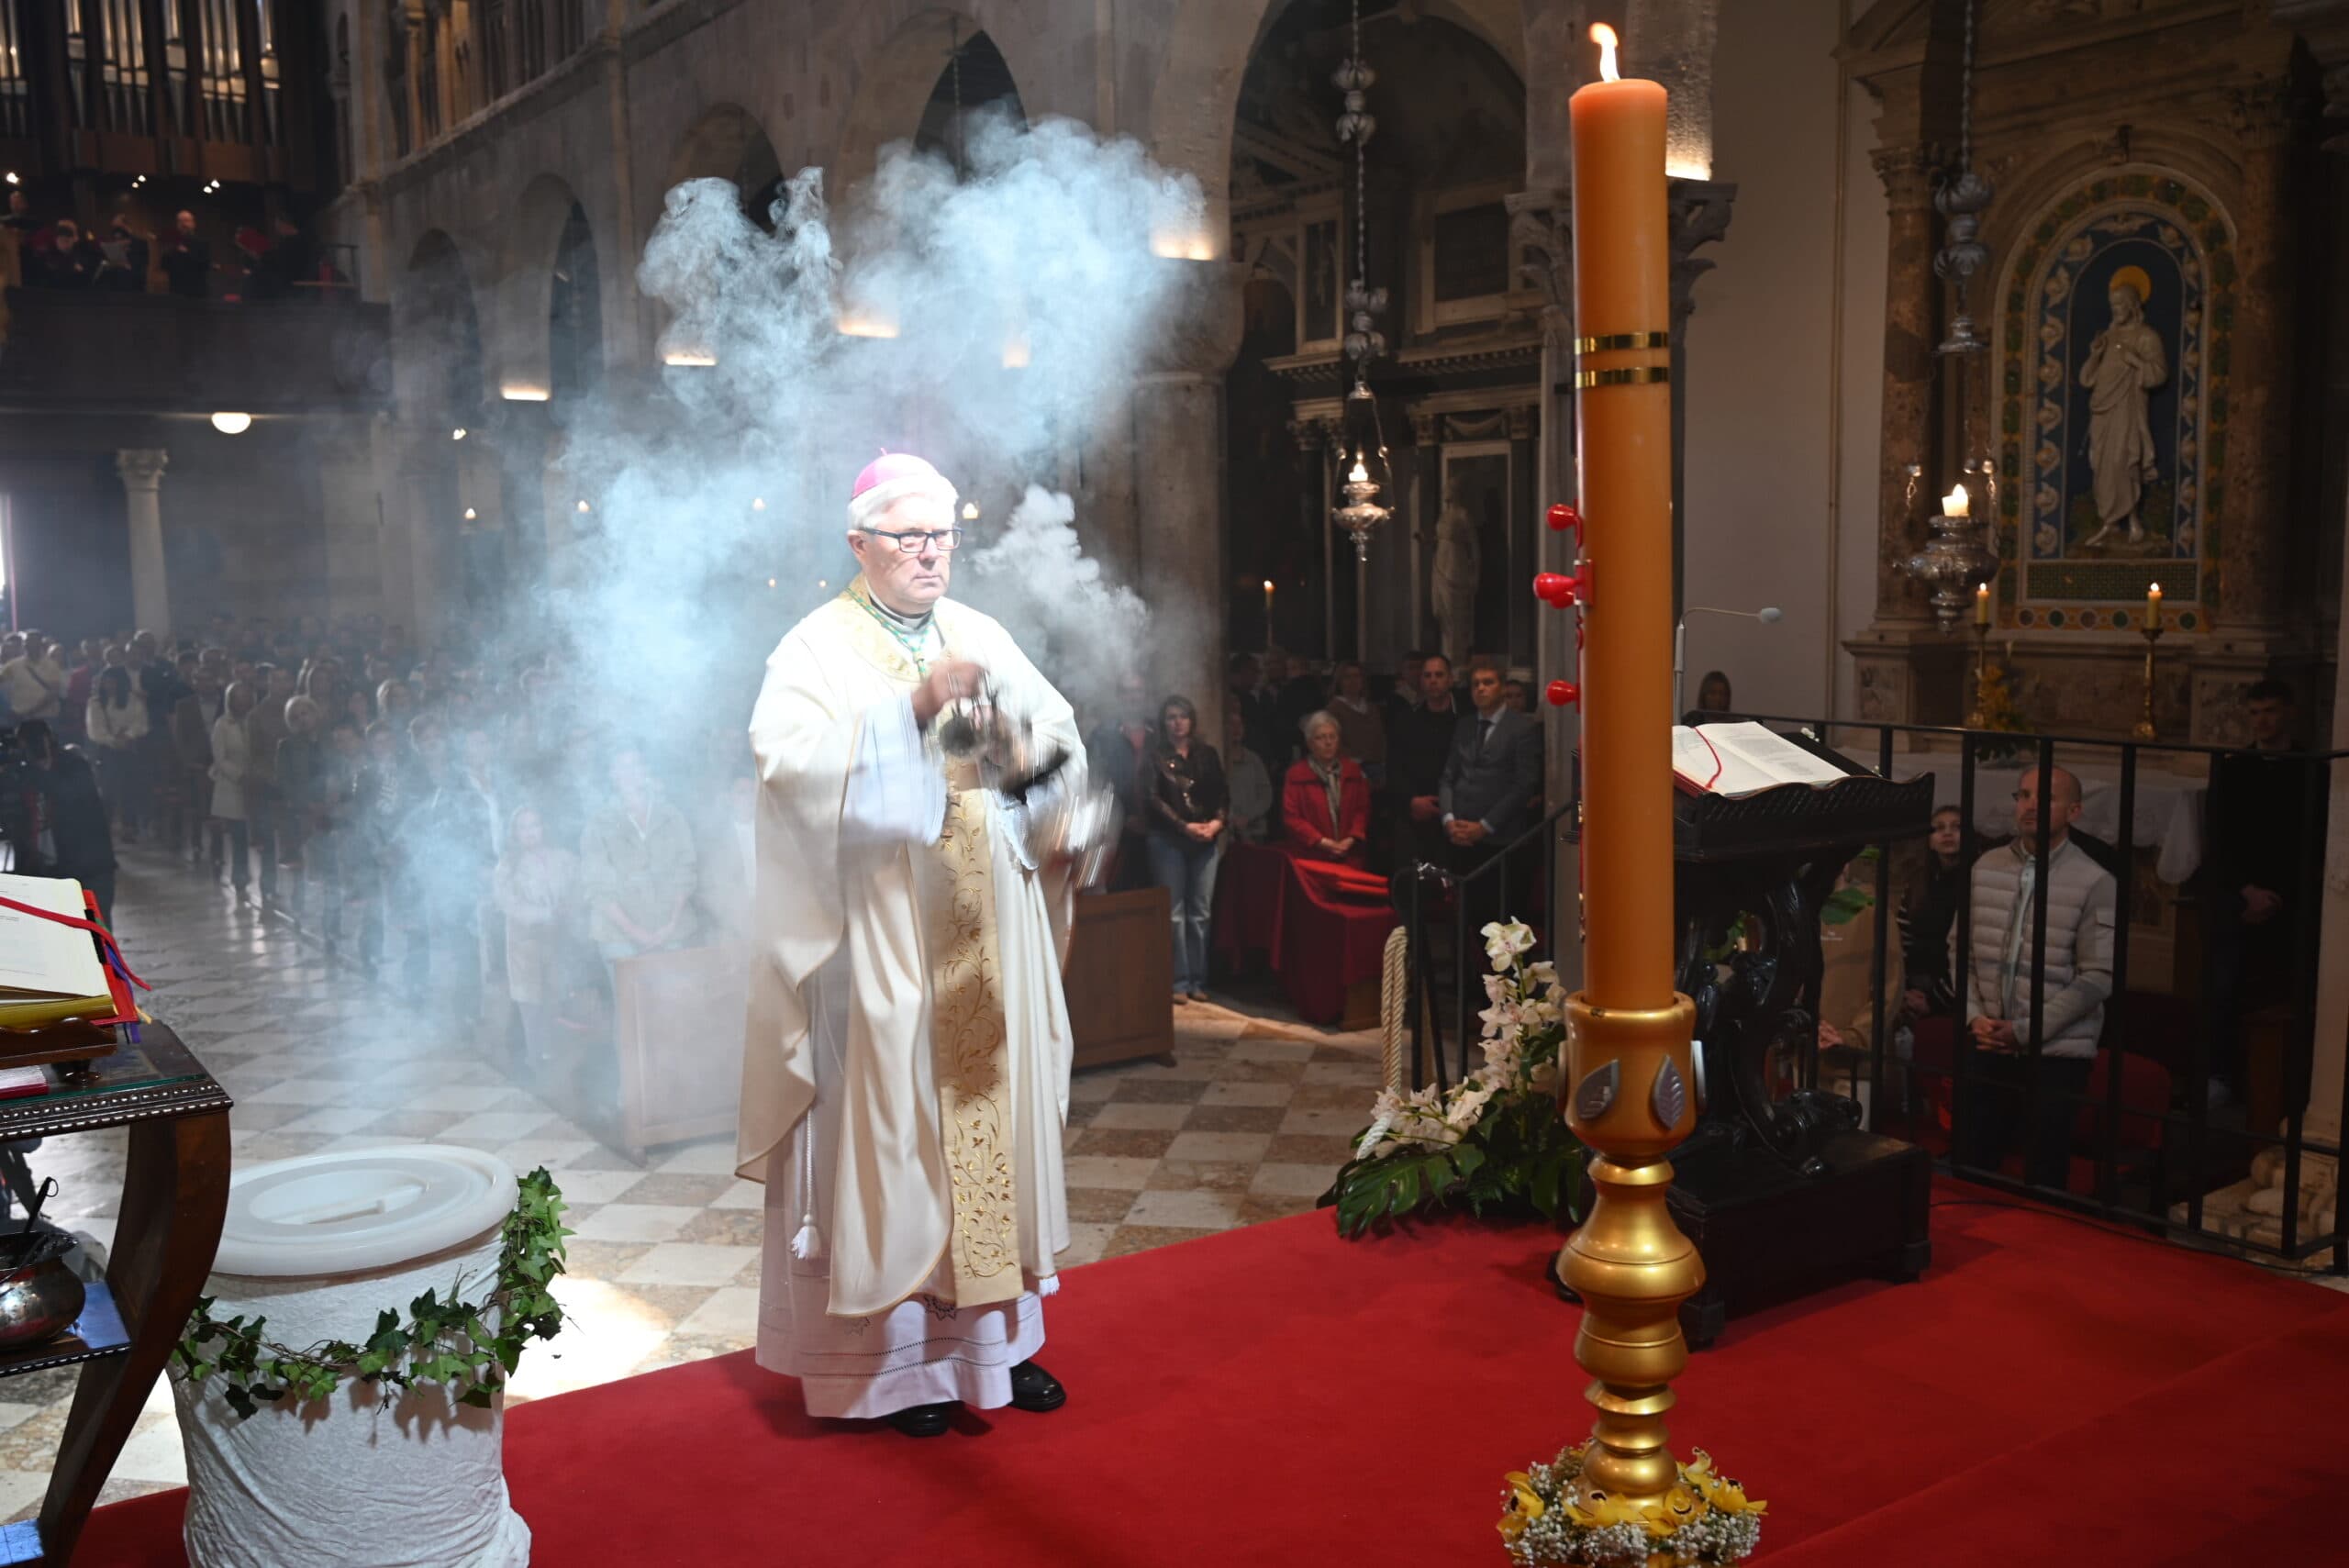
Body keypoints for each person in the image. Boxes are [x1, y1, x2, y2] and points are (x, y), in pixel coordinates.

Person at [739, 451, 1080, 1440]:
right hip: (883, 946)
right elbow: (787, 769)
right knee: (896, 1145)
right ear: (859, 544)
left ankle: (997, 1350)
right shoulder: (813, 648)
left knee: (991, 1138)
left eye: (943, 535)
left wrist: (1034, 765)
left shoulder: (979, 631)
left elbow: (1053, 736)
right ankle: (896, 1370)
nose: (932, 553)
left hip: (982, 942)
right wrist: (910, 714)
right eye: (909, 536)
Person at [1958, 766, 2116, 1188]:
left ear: (2075, 811)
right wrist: (1975, 1016)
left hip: (2055, 1051)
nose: (2029, 806)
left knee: (2044, 1176)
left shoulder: (2095, 880)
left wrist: (2026, 1030)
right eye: (2023, 795)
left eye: (2044, 798)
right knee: (1973, 1166)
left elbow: (2098, 976)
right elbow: (1960, 952)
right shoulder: (1985, 866)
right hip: (1988, 1038)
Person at [2199, 678, 2325, 1106]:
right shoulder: (2235, 768)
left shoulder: (2312, 767)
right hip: (2241, 895)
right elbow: (2218, 839)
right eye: (2254, 713)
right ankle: (2220, 1073)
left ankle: (2294, 1081)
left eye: (2270, 711)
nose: (2263, 721)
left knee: (2302, 980)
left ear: (2288, 711)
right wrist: (2246, 892)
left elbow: (2314, 842)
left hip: (2294, 898)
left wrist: (2277, 896)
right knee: (2223, 980)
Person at [576, 745, 699, 976]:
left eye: (636, 765)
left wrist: (671, 923)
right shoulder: (598, 824)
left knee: (677, 1006)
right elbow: (598, 888)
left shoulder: (671, 816)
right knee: (632, 1008)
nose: (630, 773)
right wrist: (636, 933)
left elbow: (687, 869)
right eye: (622, 767)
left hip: (671, 929)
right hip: (618, 935)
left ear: (646, 770)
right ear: (612, 774)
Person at [1147, 694, 1228, 1005]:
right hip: (1169, 840)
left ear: (1192, 720)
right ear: (1164, 722)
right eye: (1171, 717)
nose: (1177, 722)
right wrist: (1183, 826)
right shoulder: (1156, 756)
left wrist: (1218, 822)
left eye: (1182, 716)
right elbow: (1152, 798)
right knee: (1174, 914)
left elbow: (1222, 793)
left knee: (1201, 913)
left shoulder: (1206, 754)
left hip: (1206, 838)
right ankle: (1178, 981)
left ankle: (1198, 979)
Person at [495, 805, 579, 1076]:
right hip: (525, 941)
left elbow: (580, 886)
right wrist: (544, 914)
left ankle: (552, 1047)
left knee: (555, 993)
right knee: (529, 999)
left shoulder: (563, 858)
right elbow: (508, 903)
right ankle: (534, 1055)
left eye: (535, 826)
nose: (530, 833)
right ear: (515, 833)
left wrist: (570, 909)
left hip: (557, 939)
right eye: (523, 827)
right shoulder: (508, 864)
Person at [1437, 658, 1542, 868]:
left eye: (1488, 682)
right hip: (1459, 835)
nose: (1481, 689)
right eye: (1476, 684)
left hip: (1499, 839)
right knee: (1463, 898)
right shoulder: (1464, 725)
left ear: (1502, 688)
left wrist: (1484, 826)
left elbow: (1523, 785)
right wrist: (1448, 820)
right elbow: (1448, 777)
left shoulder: (1522, 728)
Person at [17, 722, 117, 925]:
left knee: (97, 933)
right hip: (51, 870)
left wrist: (35, 772)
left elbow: (71, 796)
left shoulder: (74, 765)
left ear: (47, 740)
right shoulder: (22, 778)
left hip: (90, 867)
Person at [1389, 652, 1462, 870]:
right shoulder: (1406, 721)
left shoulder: (1465, 721)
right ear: (1421, 681)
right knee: (1410, 875)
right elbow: (1394, 766)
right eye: (1427, 675)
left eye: (1439, 675)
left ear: (1450, 679)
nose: (1433, 680)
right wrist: (1412, 800)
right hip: (1415, 809)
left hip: (1459, 810)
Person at [1283, 711, 1370, 867]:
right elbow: (1292, 818)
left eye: (1332, 736)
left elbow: (1362, 810)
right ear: (1309, 743)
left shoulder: (1353, 771)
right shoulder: (1296, 775)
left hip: (1349, 854)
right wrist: (1322, 842)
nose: (1328, 742)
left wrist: (1350, 839)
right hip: (1312, 857)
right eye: (1321, 737)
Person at [84, 665, 150, 842]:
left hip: (130, 749)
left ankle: (129, 826)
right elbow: (94, 730)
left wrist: (128, 736)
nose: (109, 685)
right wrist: (113, 741)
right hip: (107, 751)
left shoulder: (133, 700)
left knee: (130, 788)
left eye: (112, 682)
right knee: (108, 790)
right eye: (106, 682)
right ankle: (104, 826)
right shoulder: (95, 702)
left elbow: (141, 723)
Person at [209, 681, 260, 899]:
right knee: (238, 835)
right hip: (233, 785)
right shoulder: (222, 725)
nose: (242, 702)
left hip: (257, 783)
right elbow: (220, 758)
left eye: (246, 697)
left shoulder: (256, 721)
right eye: (238, 698)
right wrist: (240, 775)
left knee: (258, 833)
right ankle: (239, 878)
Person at [1222, 708, 1275, 844]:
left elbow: (1266, 793)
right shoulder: (1218, 760)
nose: (1236, 729)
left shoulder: (1253, 759)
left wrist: (1248, 817)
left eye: (1239, 725)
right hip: (1227, 832)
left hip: (1255, 831)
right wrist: (1233, 819)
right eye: (1231, 725)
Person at [1327, 660, 1386, 779]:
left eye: (1357, 676)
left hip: (1377, 766)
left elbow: (1380, 737)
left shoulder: (1371, 708)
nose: (1353, 681)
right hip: (1350, 768)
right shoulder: (1334, 709)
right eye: (1347, 677)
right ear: (1340, 681)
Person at [1226, 652, 1281, 771]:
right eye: (1254, 671)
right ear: (1242, 671)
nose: (1257, 676)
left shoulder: (1255, 698)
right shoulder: (1226, 698)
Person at [161, 209, 211, 299]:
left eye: (186, 221)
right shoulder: (172, 243)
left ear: (193, 223)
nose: (183, 224)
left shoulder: (202, 242)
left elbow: (205, 264)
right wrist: (166, 253)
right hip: (176, 290)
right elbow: (164, 266)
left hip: (197, 292)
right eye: (180, 221)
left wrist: (186, 253)